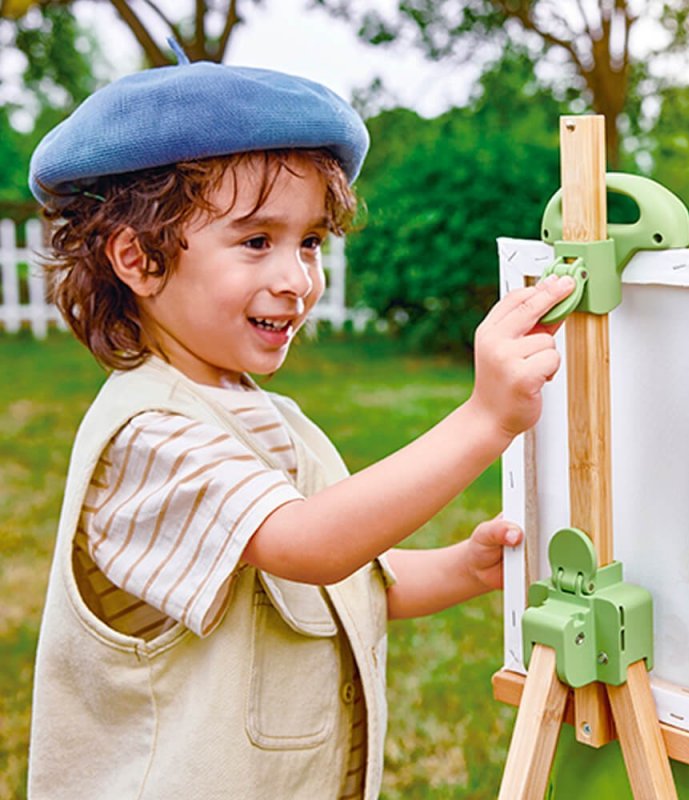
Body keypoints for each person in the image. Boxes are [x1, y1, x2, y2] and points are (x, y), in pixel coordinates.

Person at [26, 43, 574, 800]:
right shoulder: (148, 438)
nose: (296, 280)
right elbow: (308, 546)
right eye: (257, 242)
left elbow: (338, 582)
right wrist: (484, 420)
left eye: (310, 241)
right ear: (139, 258)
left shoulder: (259, 415)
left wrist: (459, 569)